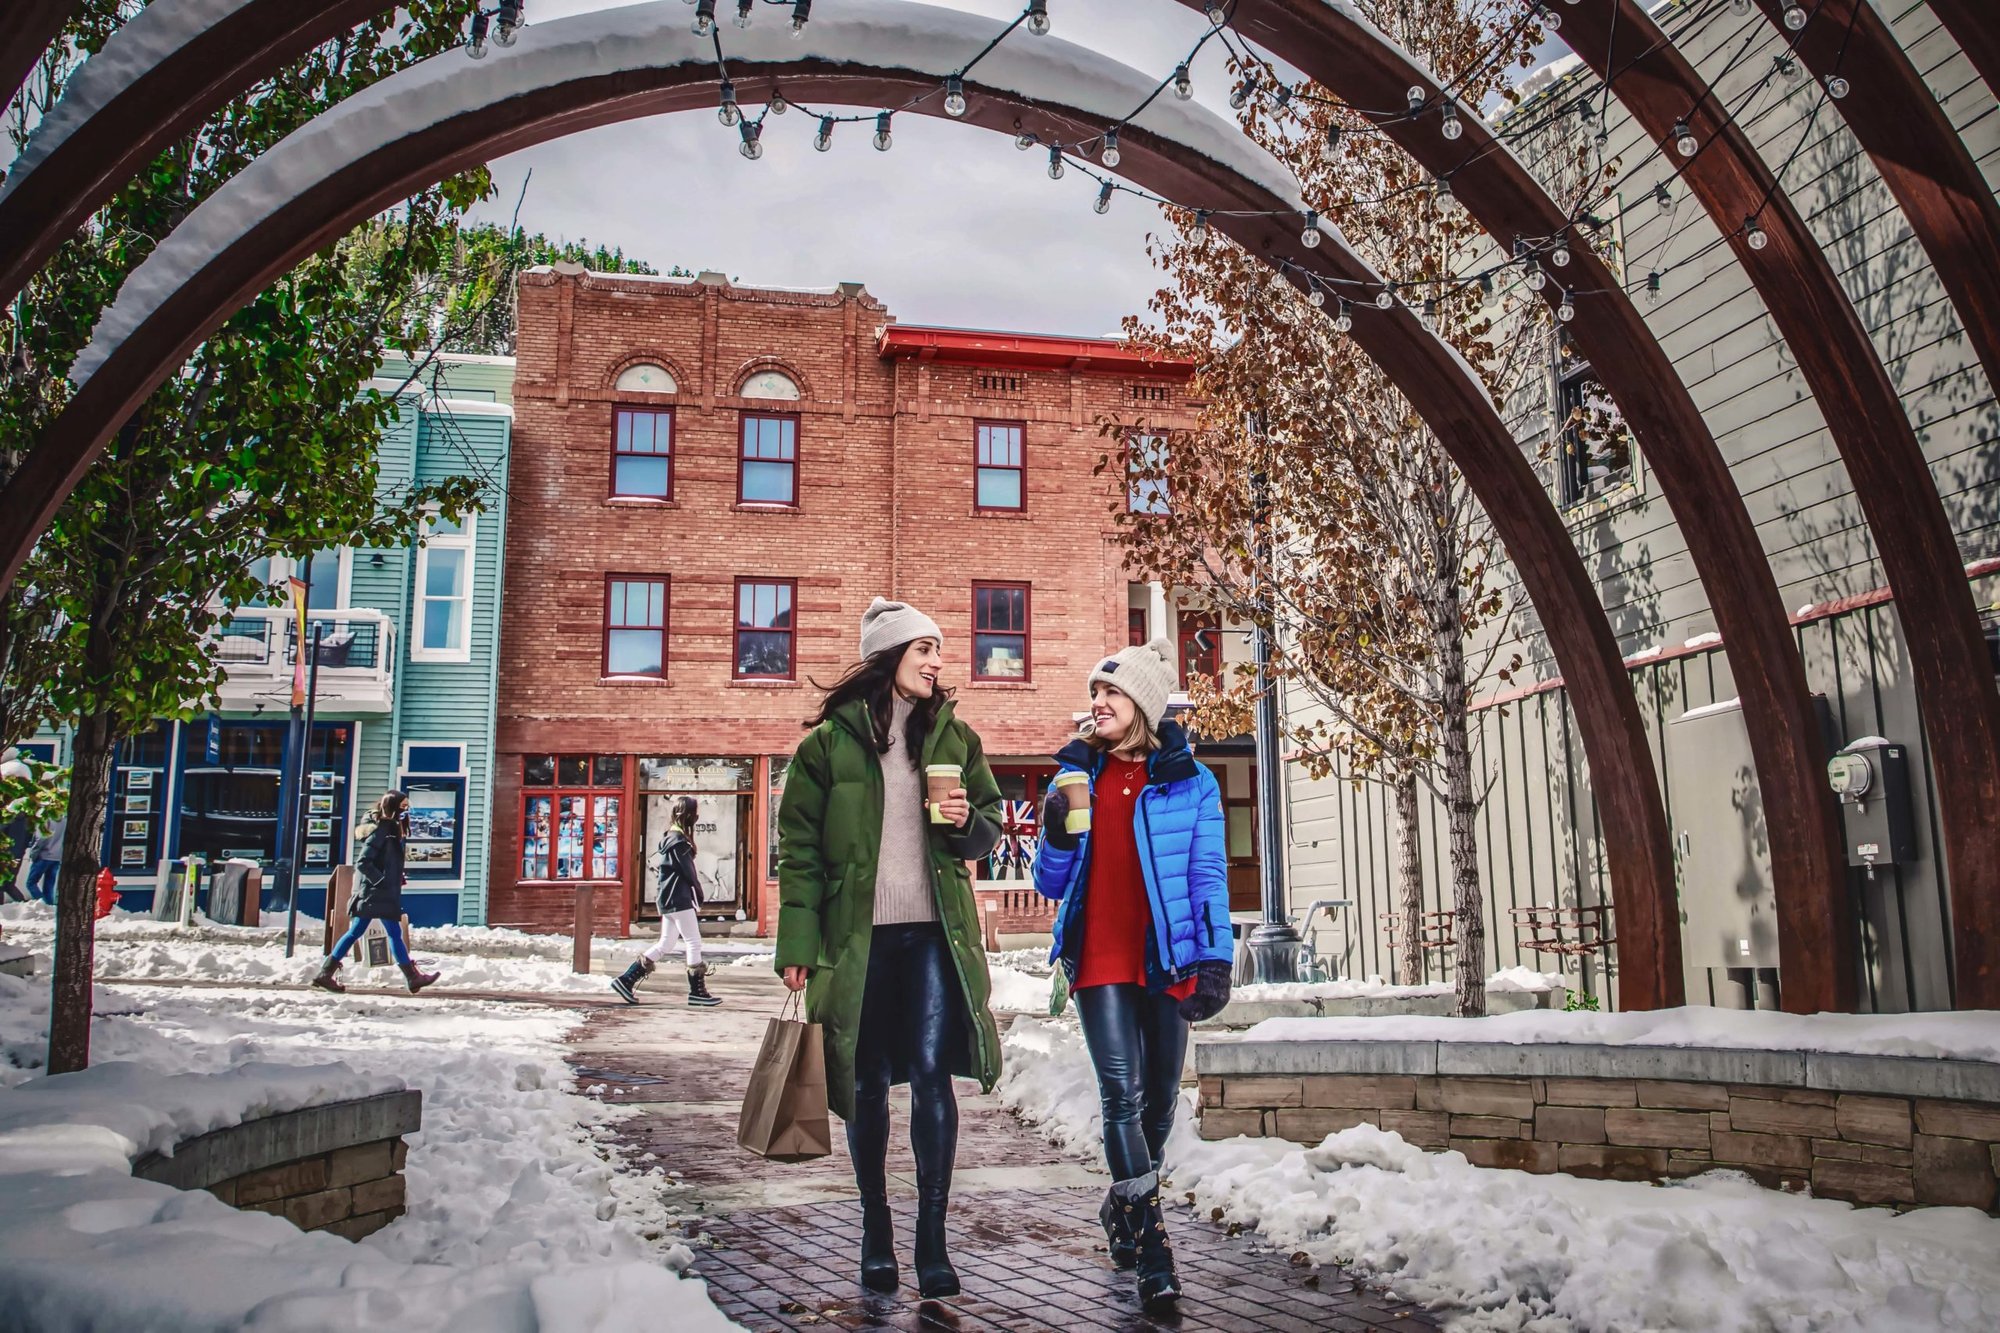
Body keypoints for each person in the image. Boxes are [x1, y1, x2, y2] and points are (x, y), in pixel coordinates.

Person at [774, 598, 1004, 1299]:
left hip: (934, 934)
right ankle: (877, 1229)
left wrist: (969, 824)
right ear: (889, 658)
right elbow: (800, 853)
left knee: (934, 1074)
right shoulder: (825, 747)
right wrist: (799, 943)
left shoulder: (955, 737)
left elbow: (992, 823)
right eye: (923, 649)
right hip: (857, 939)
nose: (937, 661)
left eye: (938, 649)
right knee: (866, 1080)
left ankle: (931, 1239)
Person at [1033, 637, 1233, 1313]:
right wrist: (1057, 834)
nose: (1098, 703)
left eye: (1110, 693)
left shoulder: (1189, 780)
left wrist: (1216, 958)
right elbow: (1050, 882)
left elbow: (1208, 873)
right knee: (1119, 1096)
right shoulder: (1075, 776)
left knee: (1158, 1106)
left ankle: (1121, 1204)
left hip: (1166, 956)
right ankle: (1153, 1248)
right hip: (1098, 956)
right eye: (1095, 694)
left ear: (1141, 703)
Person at [312, 790, 439, 994]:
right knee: (365, 932)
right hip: (374, 893)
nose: (407, 811)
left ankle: (326, 974)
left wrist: (395, 876)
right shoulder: (383, 829)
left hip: (380, 892)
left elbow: (384, 860)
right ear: (393, 807)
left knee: (380, 932)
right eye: (403, 807)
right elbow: (363, 862)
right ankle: (411, 977)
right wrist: (381, 880)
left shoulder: (390, 828)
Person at [611, 796, 720, 1007]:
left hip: (668, 899)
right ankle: (697, 991)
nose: (697, 818)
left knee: (666, 943)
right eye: (695, 813)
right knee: (693, 941)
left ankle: (626, 980)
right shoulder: (679, 842)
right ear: (688, 815)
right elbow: (689, 874)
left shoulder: (670, 838)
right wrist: (699, 893)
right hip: (679, 899)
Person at [25, 808, 65, 905]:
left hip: (43, 856)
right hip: (57, 856)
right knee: (49, 886)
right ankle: (49, 906)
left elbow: (41, 838)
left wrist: (33, 854)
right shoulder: (65, 820)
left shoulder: (45, 818)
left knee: (31, 883)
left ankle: (42, 904)